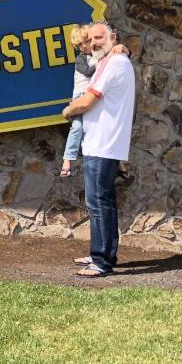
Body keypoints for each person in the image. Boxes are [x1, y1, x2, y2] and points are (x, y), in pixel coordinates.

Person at [61, 22, 135, 278]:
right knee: (100, 203)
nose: (93, 43)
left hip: (104, 144)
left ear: (113, 37)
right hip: (100, 143)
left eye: (99, 38)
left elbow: (88, 100)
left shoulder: (115, 63)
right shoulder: (107, 61)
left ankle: (102, 260)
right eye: (90, 39)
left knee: (99, 202)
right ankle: (100, 254)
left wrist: (68, 110)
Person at [60, 25, 95, 178]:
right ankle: (67, 160)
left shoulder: (98, 54)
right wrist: (100, 62)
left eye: (87, 41)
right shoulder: (80, 59)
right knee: (77, 127)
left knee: (93, 129)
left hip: (93, 95)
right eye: (80, 44)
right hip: (80, 96)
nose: (84, 46)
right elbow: (88, 71)